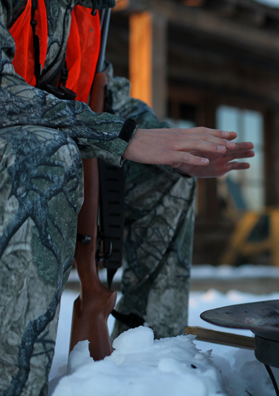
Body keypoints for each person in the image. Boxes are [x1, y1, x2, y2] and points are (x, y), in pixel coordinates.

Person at [0, 1, 255, 395]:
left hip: (52, 152)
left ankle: (148, 370)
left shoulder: (91, 10)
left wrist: (179, 149)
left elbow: (106, 98)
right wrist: (126, 138)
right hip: (28, 160)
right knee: (49, 155)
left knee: (168, 174)